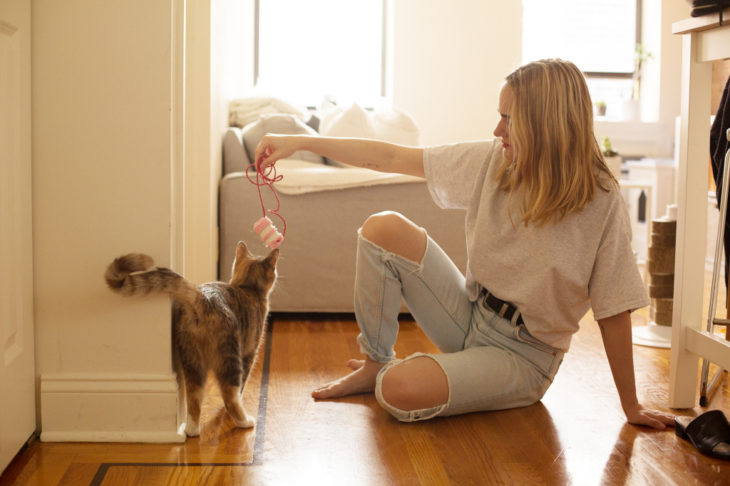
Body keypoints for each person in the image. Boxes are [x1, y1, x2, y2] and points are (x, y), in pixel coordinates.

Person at [254, 59, 675, 430]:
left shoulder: (600, 200)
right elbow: (391, 158)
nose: (497, 129)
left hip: (525, 357)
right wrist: (301, 143)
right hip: (471, 315)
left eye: (509, 118)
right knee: (384, 228)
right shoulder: (495, 159)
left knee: (397, 390)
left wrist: (631, 405)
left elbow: (614, 312)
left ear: (544, 123)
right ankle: (375, 361)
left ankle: (392, 375)